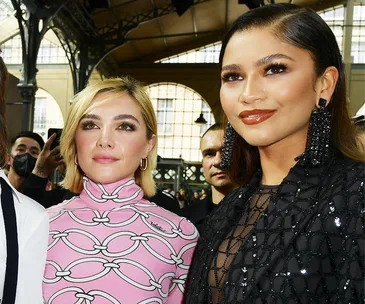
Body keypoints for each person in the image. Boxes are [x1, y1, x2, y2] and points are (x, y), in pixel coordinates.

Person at [186, 3, 365, 303]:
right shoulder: (230, 209)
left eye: (275, 69)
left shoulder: (356, 196)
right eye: (233, 76)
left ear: (325, 83)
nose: (248, 93)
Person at [42, 76, 199, 303]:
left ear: (148, 144)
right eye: (90, 125)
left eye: (125, 126)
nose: (105, 140)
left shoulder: (180, 235)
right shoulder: (39, 226)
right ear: (74, 142)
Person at [0, 55, 49, 302]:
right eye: (21, 150)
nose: (26, 157)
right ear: (9, 155)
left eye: (34, 152)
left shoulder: (31, 216)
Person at [188, 123, 238, 232]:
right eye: (209, 154)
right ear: (202, 163)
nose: (217, 161)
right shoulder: (184, 220)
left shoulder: (264, 214)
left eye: (226, 152)